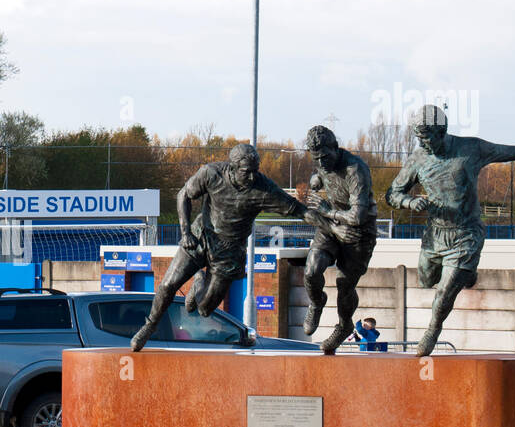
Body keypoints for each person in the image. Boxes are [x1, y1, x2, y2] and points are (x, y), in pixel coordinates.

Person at [386, 104, 515, 355]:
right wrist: (410, 201)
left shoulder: (471, 148)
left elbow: (506, 152)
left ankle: (432, 331)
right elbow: (392, 193)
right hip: (435, 234)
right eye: (419, 138)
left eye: (426, 138)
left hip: (466, 233)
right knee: (426, 279)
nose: (422, 143)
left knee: (444, 293)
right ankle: (467, 275)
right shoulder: (418, 159)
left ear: (441, 132)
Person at [131, 142, 320, 351]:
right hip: (200, 236)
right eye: (246, 172)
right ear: (232, 167)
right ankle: (148, 327)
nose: (251, 177)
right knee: (167, 285)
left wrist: (328, 220)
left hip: (229, 252)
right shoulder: (212, 173)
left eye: (255, 172)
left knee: (204, 310)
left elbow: (299, 210)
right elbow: (183, 195)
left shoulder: (263, 188)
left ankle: (199, 282)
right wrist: (185, 233)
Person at [300, 124, 379, 354]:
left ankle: (344, 325)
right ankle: (316, 302)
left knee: (345, 285)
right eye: (316, 159)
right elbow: (322, 175)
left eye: (325, 157)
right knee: (312, 270)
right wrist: (317, 179)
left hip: (359, 233)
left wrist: (327, 211)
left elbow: (357, 216)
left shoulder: (356, 170)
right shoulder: (323, 165)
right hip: (331, 226)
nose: (322, 163)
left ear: (336, 148)